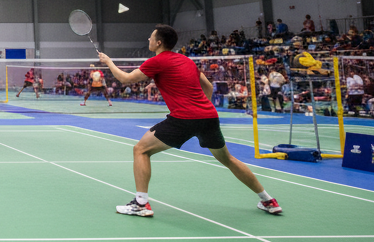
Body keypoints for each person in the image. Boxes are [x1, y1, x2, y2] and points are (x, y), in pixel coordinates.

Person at [97, 24, 281, 218]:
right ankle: (268, 200)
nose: (148, 40)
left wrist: (108, 61)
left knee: (141, 150)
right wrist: (200, 110)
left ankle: (141, 204)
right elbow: (208, 87)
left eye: (151, 37)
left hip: (184, 117)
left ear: (158, 43)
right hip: (209, 116)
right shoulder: (187, 61)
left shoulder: (156, 61)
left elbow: (125, 79)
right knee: (228, 159)